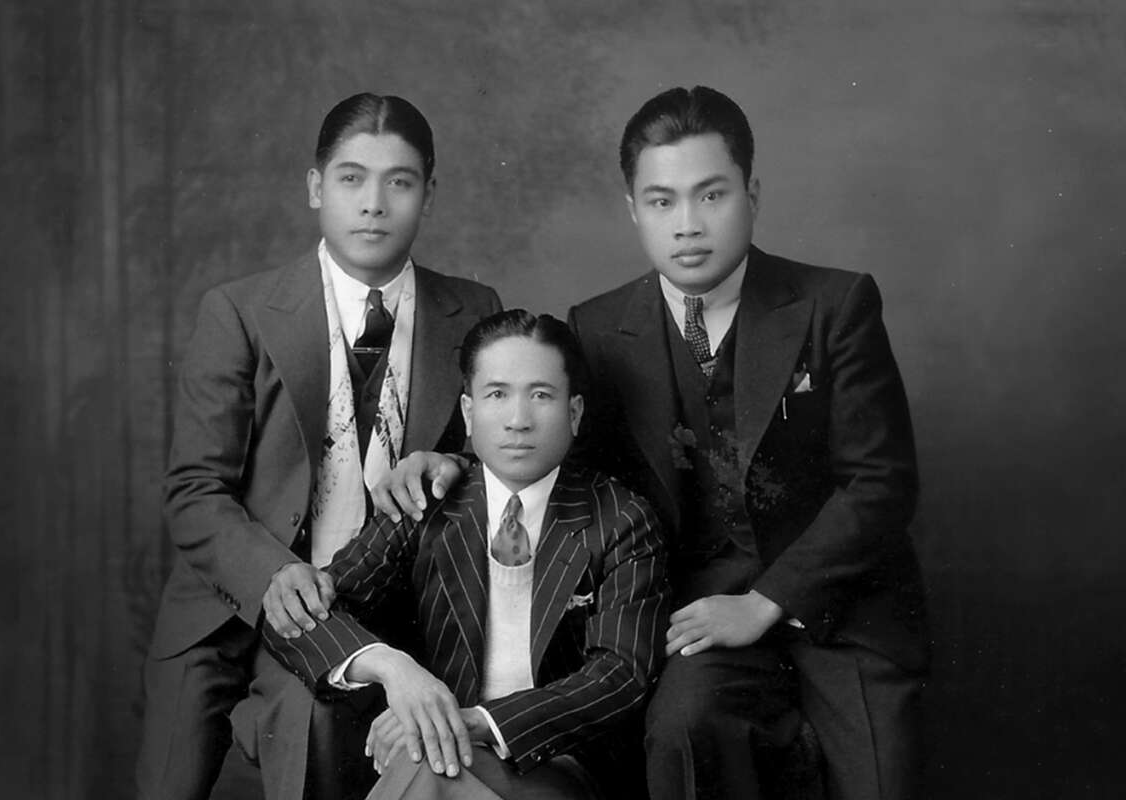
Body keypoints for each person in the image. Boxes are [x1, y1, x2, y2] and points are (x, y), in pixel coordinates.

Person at [375, 86, 929, 800]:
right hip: (694, 617)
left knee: (879, 784)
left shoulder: (835, 303)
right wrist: (452, 460)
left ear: (751, 194)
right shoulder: (601, 327)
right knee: (679, 733)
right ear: (634, 209)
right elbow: (554, 448)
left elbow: (881, 483)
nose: (688, 225)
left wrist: (766, 602)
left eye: (712, 195)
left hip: (840, 613)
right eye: (663, 201)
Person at [137, 92, 502, 800]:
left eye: (399, 182)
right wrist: (274, 574)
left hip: (376, 610)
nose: (374, 204)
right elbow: (194, 491)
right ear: (315, 188)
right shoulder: (240, 311)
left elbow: (504, 459)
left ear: (429, 193)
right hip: (231, 605)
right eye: (350, 178)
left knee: (316, 719)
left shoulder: (474, 309)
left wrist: (455, 463)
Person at [263, 310, 668, 800]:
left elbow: (618, 675)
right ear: (470, 413)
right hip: (438, 749)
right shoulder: (428, 500)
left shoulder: (621, 518)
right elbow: (300, 617)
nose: (518, 420)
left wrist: (477, 721)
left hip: (553, 759)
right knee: (432, 765)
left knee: (428, 767)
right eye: (497, 394)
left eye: (541, 395)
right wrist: (396, 671)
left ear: (575, 413)